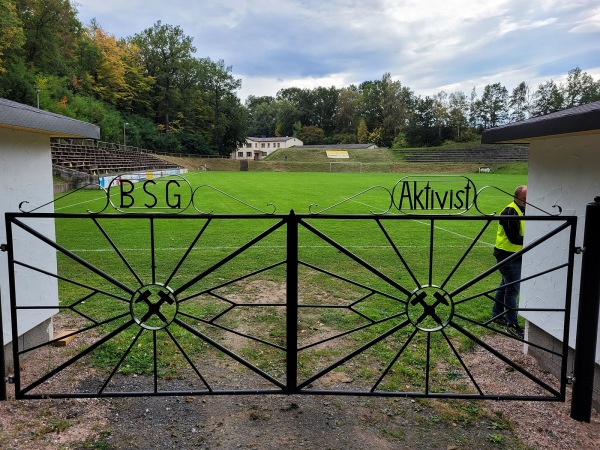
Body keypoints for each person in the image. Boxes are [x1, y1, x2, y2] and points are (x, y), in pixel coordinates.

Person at [491, 185, 527, 338]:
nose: (527, 201)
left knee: (505, 285)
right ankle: (511, 323)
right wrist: (534, 239)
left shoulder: (524, 209)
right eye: (525, 199)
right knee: (512, 291)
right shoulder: (509, 212)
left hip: (515, 254)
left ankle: (497, 314)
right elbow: (513, 238)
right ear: (516, 197)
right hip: (507, 255)